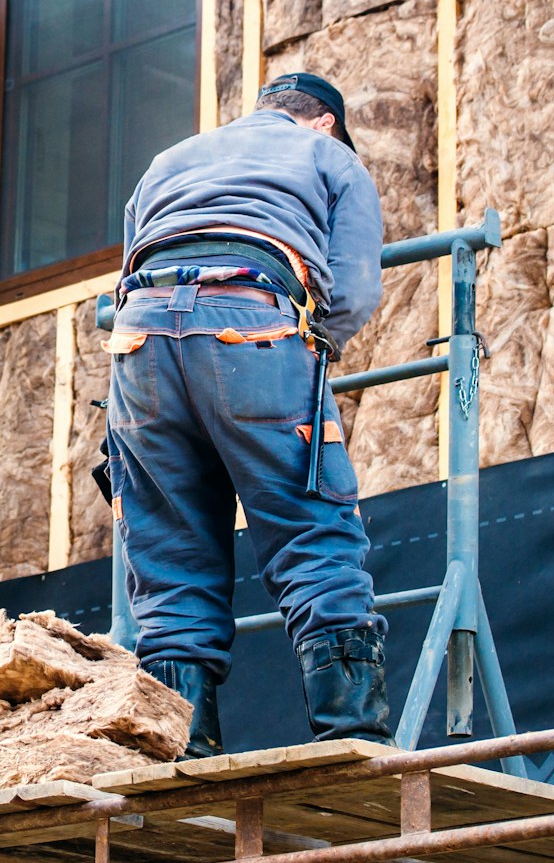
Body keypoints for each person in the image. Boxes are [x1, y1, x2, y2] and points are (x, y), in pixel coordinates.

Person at [103, 72, 389, 758]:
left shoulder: (167, 161)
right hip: (251, 322)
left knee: (169, 549)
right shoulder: (330, 156)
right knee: (309, 526)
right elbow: (351, 290)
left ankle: (179, 745)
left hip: (138, 341)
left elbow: (129, 270)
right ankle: (349, 736)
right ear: (323, 122)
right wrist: (310, 349)